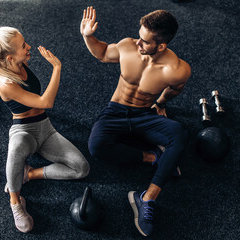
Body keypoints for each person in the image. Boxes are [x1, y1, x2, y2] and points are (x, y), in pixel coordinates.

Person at [80, 7, 191, 236]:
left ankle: (146, 198)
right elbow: (102, 53)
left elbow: (174, 89)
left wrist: (159, 104)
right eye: (138, 36)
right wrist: (88, 36)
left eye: (144, 41)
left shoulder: (177, 69)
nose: (137, 43)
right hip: (116, 111)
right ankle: (153, 157)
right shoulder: (128, 46)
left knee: (179, 134)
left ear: (161, 45)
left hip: (145, 114)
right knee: (96, 146)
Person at [0, 27, 90, 233]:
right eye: (23, 46)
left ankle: (29, 174)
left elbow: (40, 104)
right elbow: (45, 101)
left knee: (82, 168)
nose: (28, 46)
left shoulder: (20, 63)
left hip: (45, 129)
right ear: (10, 58)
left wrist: (32, 173)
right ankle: (15, 201)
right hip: (24, 131)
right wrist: (56, 67)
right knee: (16, 147)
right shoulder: (5, 84)